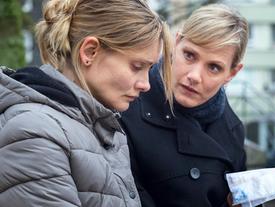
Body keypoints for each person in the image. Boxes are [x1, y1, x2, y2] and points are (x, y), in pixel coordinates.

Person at [0, 0, 172, 206]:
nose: (146, 85)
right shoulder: (35, 132)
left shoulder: (99, 126)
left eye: (149, 69)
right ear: (90, 51)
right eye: (137, 66)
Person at [120, 4, 248, 207]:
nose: (194, 76)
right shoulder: (125, 107)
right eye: (189, 55)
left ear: (232, 74)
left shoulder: (233, 129)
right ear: (176, 43)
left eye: (213, 67)